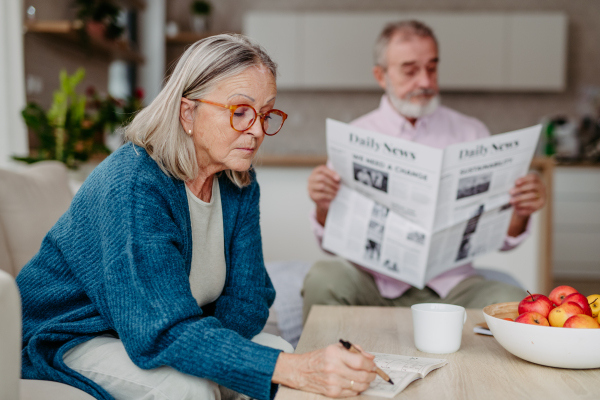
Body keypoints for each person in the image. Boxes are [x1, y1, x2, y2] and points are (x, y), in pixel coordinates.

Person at [17, 34, 377, 400]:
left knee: (278, 350)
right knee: (190, 387)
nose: (256, 130)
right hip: (72, 335)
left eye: (265, 114)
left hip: (155, 328)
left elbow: (249, 300)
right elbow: (159, 329)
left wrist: (213, 351)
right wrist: (218, 354)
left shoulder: (240, 184)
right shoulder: (134, 183)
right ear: (188, 113)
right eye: (240, 112)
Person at [303, 21, 547, 322]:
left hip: (453, 288)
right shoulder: (357, 135)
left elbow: (503, 238)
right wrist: (322, 203)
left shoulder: (472, 132)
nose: (425, 81)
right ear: (381, 76)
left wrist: (522, 212)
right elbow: (328, 241)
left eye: (432, 68)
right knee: (322, 278)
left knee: (512, 302)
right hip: (375, 285)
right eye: (410, 70)